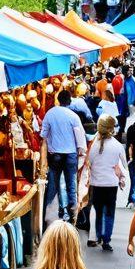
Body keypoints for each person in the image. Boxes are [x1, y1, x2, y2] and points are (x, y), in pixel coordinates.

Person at [40, 89, 87, 224]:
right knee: (71, 183)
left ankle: (50, 216)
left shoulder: (50, 114)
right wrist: (81, 152)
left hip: (55, 155)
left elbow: (43, 136)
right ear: (69, 101)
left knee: (53, 185)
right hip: (71, 154)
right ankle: (72, 213)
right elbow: (80, 138)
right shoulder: (73, 116)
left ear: (58, 100)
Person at [85, 114, 128, 251]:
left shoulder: (93, 145)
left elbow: (89, 163)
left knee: (97, 211)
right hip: (111, 184)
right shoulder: (117, 145)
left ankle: (97, 235)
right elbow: (124, 165)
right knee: (109, 212)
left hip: (96, 184)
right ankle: (106, 239)